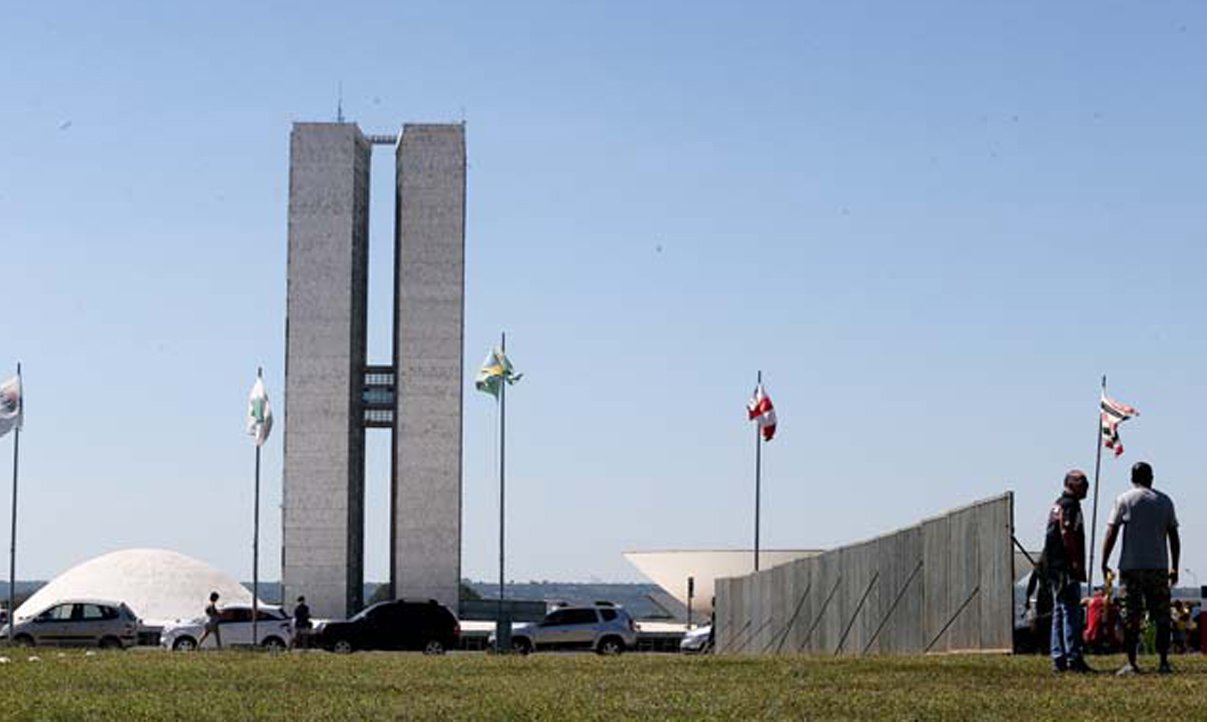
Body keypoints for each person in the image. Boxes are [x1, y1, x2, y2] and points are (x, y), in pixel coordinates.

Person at [1101, 460, 1180, 675]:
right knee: (1161, 616)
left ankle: (1131, 662)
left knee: (1131, 616)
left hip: (1131, 567)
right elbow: (1173, 536)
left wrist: (1104, 561)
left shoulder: (1124, 499)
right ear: (1151, 478)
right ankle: (1163, 662)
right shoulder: (1165, 501)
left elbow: (1112, 531)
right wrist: (1175, 566)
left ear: (1132, 478)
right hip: (1158, 566)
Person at [1041, 469, 1092, 673]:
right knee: (1071, 611)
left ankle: (1058, 657)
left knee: (1059, 610)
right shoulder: (1070, 505)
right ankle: (1073, 657)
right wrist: (1075, 561)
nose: (1086, 487)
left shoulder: (1058, 504)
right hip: (1065, 566)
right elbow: (1067, 532)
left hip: (1054, 566)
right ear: (1071, 484)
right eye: (1082, 483)